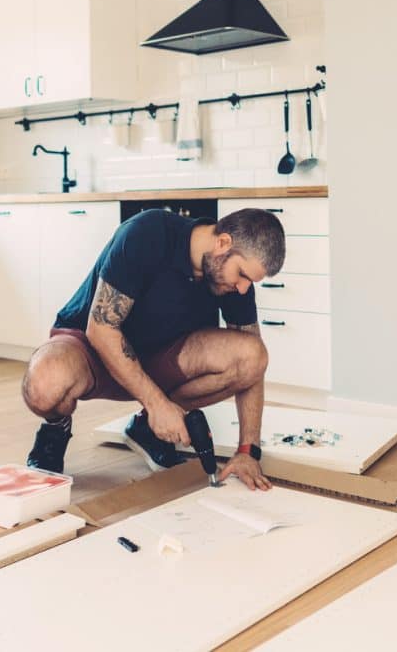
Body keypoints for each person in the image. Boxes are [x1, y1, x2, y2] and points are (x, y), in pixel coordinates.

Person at [20, 207, 285, 491]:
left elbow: (254, 368)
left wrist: (248, 451)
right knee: (45, 384)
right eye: (242, 274)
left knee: (252, 356)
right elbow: (101, 330)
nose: (243, 288)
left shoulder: (231, 283)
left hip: (161, 360)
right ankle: (55, 429)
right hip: (94, 348)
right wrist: (156, 403)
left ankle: (147, 430)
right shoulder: (148, 233)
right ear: (222, 244)